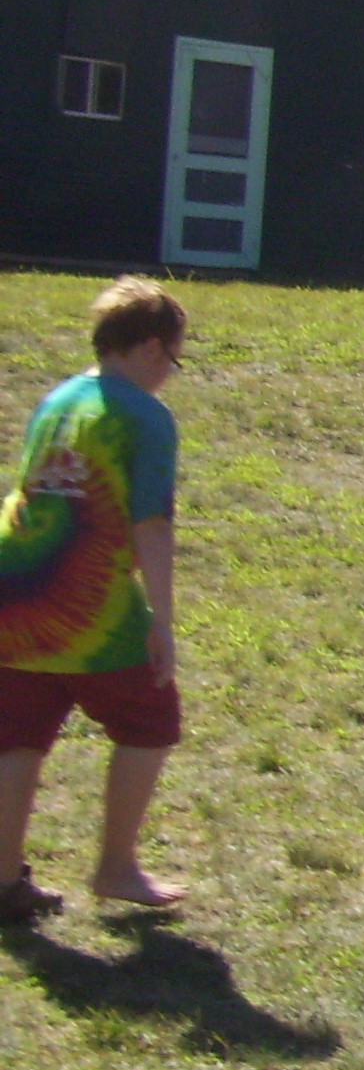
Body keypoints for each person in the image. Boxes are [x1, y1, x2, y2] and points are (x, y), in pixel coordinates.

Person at [0, 276, 192, 919]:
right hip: (87, 604)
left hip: (14, 588)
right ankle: (116, 866)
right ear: (152, 346)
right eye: (173, 360)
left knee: (17, 736)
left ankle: (2, 883)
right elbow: (151, 524)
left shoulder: (59, 399)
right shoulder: (144, 416)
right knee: (150, 720)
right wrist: (161, 621)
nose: (168, 375)